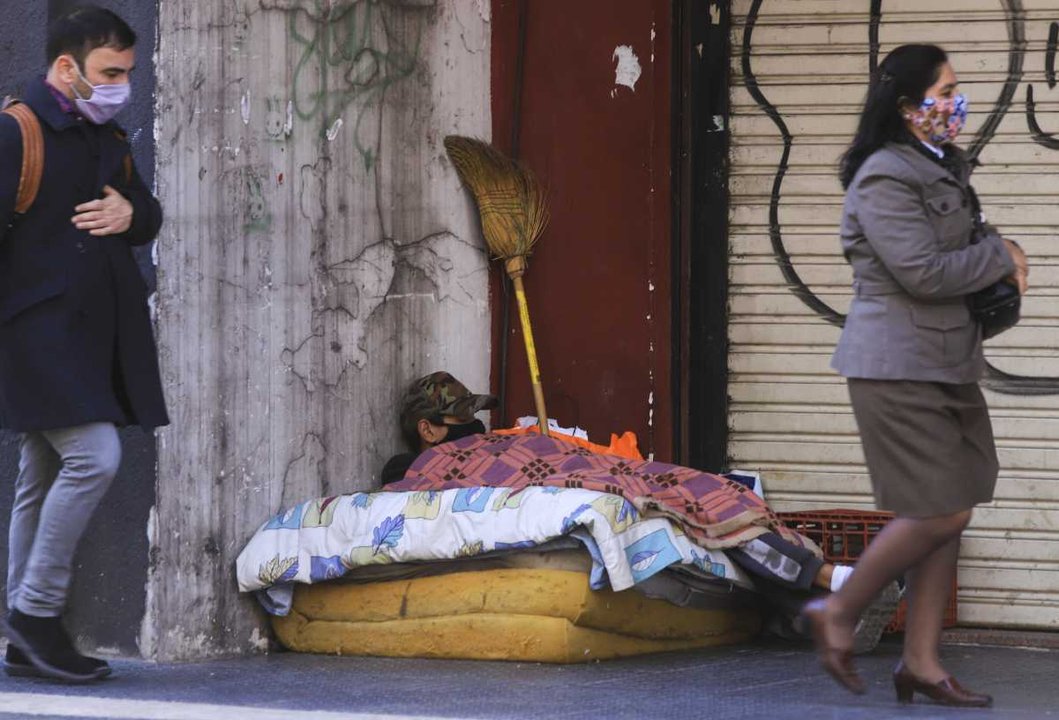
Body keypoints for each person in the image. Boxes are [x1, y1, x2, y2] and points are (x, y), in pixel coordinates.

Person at [803, 44, 1029, 707]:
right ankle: (839, 609)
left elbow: (956, 252)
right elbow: (922, 272)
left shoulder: (939, 166)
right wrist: (1001, 255)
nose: (957, 103)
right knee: (939, 509)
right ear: (907, 107)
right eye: (946, 91)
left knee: (948, 507)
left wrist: (995, 256)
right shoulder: (884, 176)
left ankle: (921, 664)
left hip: (944, 361)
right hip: (896, 365)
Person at [383, 371, 898, 652]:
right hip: (591, 484)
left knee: (697, 495)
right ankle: (835, 581)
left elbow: (550, 457)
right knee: (695, 504)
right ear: (429, 429)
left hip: (602, 472)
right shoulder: (421, 465)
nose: (474, 424)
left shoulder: (493, 439)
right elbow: (414, 482)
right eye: (461, 416)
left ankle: (828, 605)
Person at [0, 6, 168, 683]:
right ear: (66, 67)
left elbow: (145, 213)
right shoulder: (17, 132)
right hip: (33, 336)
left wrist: (131, 214)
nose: (121, 85)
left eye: (127, 72)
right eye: (110, 72)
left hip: (92, 336)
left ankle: (23, 637)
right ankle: (37, 613)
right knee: (94, 456)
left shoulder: (105, 133)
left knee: (41, 473)